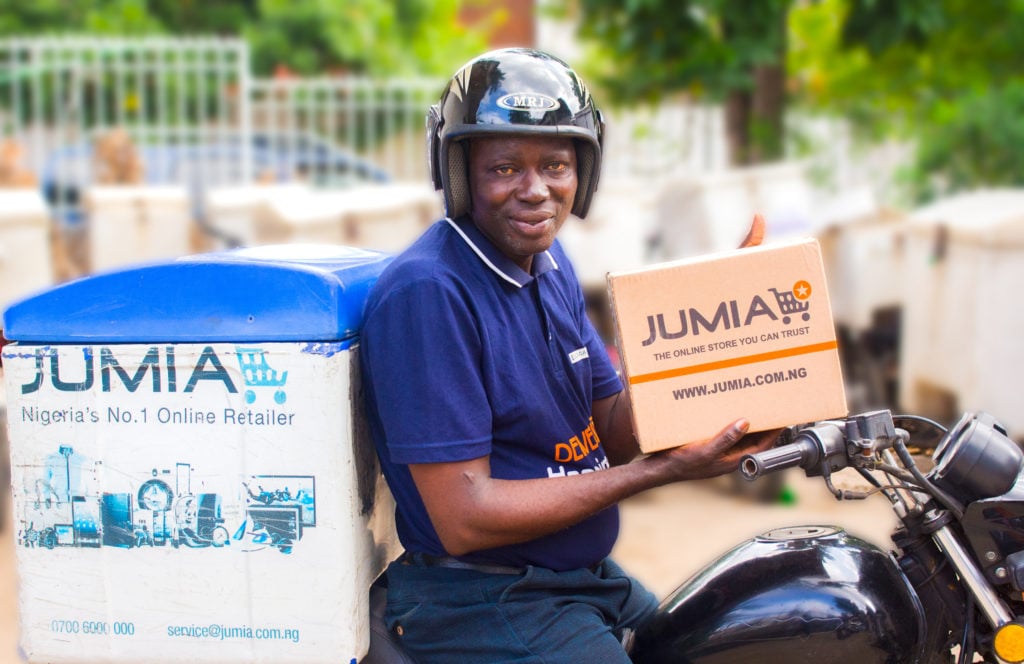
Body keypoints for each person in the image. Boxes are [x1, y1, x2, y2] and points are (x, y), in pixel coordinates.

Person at [359, 47, 777, 663]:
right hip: (480, 599)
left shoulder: (551, 266)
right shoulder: (431, 294)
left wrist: (711, 334)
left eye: (555, 164)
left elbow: (611, 431)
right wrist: (660, 473)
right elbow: (465, 516)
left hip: (576, 578)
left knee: (721, 641)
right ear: (459, 172)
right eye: (504, 168)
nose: (535, 191)